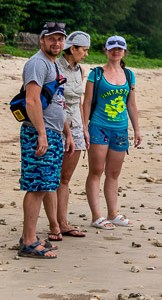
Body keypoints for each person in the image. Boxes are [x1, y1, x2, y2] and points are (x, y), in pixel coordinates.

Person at [18, 22, 75, 259]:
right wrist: (42, 133)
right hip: (38, 134)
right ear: (42, 40)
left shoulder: (53, 65)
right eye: (51, 38)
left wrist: (67, 133)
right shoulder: (37, 63)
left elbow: (56, 102)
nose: (56, 43)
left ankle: (29, 237)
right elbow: (31, 101)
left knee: (45, 185)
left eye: (60, 39)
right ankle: (28, 241)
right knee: (36, 187)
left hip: (53, 132)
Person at [83, 35, 142, 229]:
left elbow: (131, 104)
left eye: (119, 49)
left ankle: (113, 213)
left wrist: (137, 129)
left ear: (124, 52)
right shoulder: (96, 74)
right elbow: (87, 102)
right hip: (99, 126)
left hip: (120, 129)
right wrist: (85, 127)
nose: (115, 51)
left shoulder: (129, 75)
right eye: (112, 48)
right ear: (106, 51)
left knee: (114, 173)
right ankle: (96, 215)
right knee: (96, 171)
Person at [47, 31, 91, 240]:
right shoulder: (54, 67)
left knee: (65, 178)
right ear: (72, 49)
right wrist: (67, 132)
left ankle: (63, 222)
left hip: (76, 125)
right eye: (84, 50)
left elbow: (79, 101)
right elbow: (57, 102)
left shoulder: (79, 69)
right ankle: (54, 224)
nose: (86, 55)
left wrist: (84, 128)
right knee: (52, 177)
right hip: (56, 125)